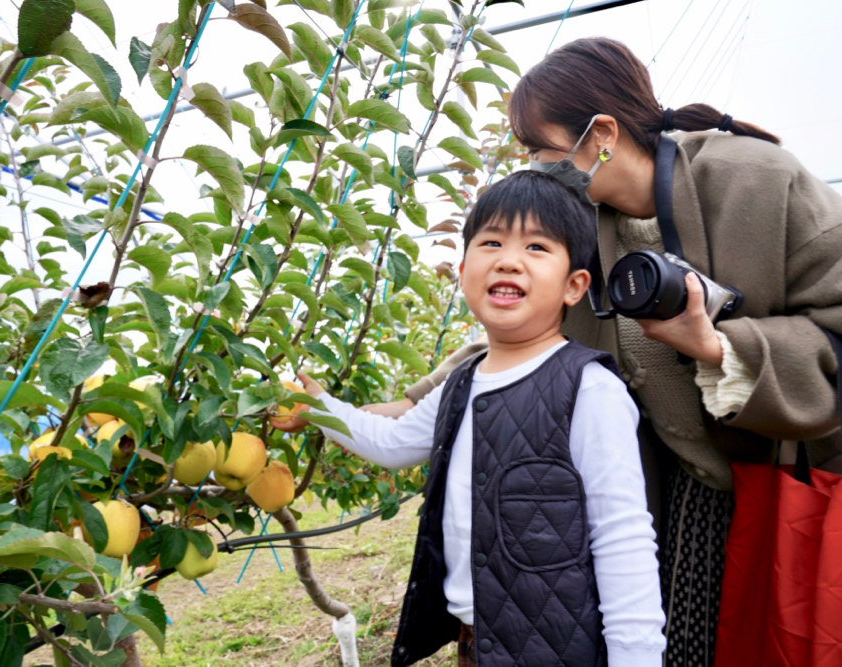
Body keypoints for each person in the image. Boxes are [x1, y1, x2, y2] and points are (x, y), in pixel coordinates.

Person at [360, 37, 842, 667]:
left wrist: (721, 347)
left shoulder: (757, 180)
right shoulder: (585, 227)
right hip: (683, 487)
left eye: (541, 149)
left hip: (789, 480)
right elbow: (523, 331)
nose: (534, 167)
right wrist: (412, 401)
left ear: (603, 135)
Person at [278, 170, 667, 666]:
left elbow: (622, 538)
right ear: (463, 270)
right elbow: (396, 443)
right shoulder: (460, 384)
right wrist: (321, 410)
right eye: (491, 242)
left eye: (537, 248)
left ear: (574, 286)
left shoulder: (589, 389)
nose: (509, 260)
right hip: (475, 645)